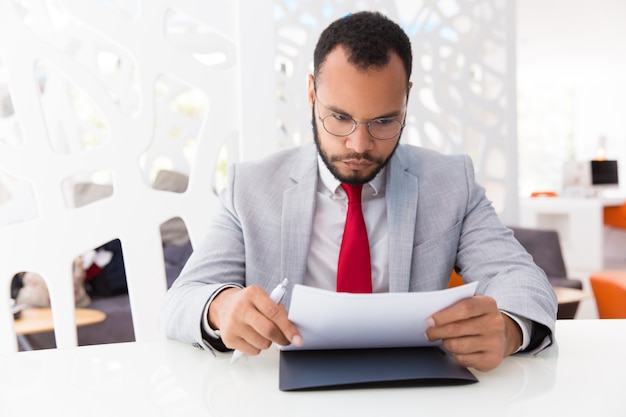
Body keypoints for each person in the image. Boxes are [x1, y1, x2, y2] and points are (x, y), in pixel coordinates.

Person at [162, 11, 557, 372]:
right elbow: (183, 299)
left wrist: (508, 328)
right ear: (312, 92)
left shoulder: (451, 182)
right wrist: (219, 306)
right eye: (340, 118)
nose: (359, 145)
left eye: (384, 121)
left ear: (407, 96)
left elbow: (520, 278)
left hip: (417, 397)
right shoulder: (251, 187)